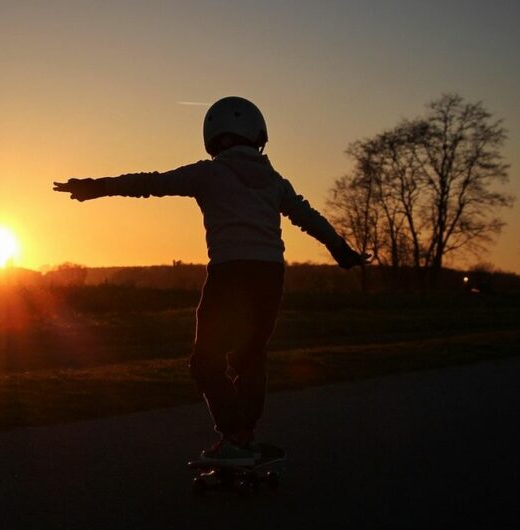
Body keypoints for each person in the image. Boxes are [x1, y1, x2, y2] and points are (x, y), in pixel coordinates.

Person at [53, 96, 368, 465]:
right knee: (250, 358)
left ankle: (233, 436)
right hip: (269, 276)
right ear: (258, 135)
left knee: (205, 361)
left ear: (213, 137)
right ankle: (244, 435)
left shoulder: (208, 173)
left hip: (229, 275)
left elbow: (150, 183)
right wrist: (342, 251)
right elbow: (309, 217)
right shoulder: (275, 181)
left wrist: (97, 187)